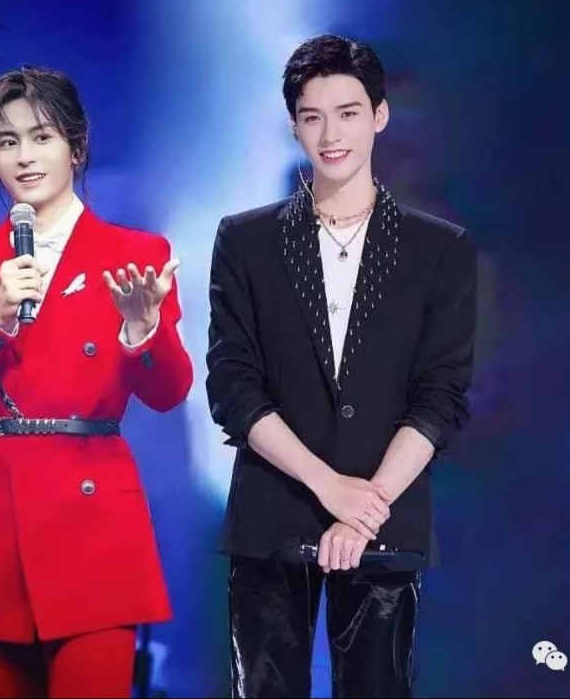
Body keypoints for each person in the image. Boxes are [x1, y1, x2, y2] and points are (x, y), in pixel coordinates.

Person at [0, 65, 193, 699]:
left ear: (76, 146)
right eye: (7, 142)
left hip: (93, 522)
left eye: (42, 137)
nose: (25, 157)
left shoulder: (136, 255)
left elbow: (169, 392)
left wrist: (143, 329)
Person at [206, 35, 477, 698]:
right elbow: (232, 386)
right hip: (273, 515)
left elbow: (440, 395)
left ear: (379, 115)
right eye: (313, 116)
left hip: (385, 519)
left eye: (348, 113)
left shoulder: (438, 249)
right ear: (294, 125)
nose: (331, 135)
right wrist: (328, 486)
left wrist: (365, 508)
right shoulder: (245, 239)